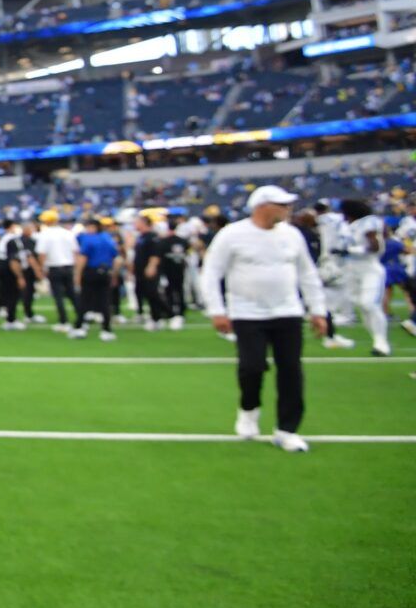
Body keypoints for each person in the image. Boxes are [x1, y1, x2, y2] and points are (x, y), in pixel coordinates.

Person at [200, 185, 331, 452]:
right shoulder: (232, 235)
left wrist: (317, 310)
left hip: (288, 312)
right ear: (262, 206)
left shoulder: (292, 235)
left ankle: (287, 430)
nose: (288, 209)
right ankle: (249, 409)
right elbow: (212, 272)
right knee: (251, 367)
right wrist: (217, 310)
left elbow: (307, 274)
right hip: (247, 313)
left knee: (291, 370)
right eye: (281, 204)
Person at [333, 197, 392, 356]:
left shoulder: (368, 222)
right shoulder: (348, 226)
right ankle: (377, 340)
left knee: (369, 304)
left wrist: (351, 251)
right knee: (362, 306)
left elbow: (375, 246)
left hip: (369, 268)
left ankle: (382, 342)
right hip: (351, 269)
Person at [72, 216, 120, 340]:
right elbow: (117, 258)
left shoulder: (89, 240)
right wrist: (114, 274)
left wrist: (77, 275)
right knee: (105, 302)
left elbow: (83, 258)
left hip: (90, 272)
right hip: (105, 272)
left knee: (85, 300)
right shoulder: (108, 239)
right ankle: (106, 329)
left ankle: (80, 327)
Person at [34, 210, 78, 331]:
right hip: (69, 266)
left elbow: (42, 254)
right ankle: (81, 317)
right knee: (72, 294)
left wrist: (41, 269)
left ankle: (63, 321)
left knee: (58, 295)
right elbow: (75, 252)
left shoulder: (45, 234)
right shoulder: (67, 233)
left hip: (54, 268)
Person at [131, 214, 168, 330]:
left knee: (152, 293)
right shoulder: (140, 237)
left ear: (144, 223)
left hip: (148, 269)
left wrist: (151, 266)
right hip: (139, 270)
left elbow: (155, 254)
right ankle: (153, 316)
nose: (135, 224)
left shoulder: (152, 237)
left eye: (137, 222)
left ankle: (165, 315)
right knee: (141, 292)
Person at [0, 217, 28, 329]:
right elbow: (13, 260)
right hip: (9, 269)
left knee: (7, 293)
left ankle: (9, 316)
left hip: (1, 268)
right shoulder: (12, 240)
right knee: (13, 294)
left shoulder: (2, 238)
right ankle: (11, 319)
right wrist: (20, 276)